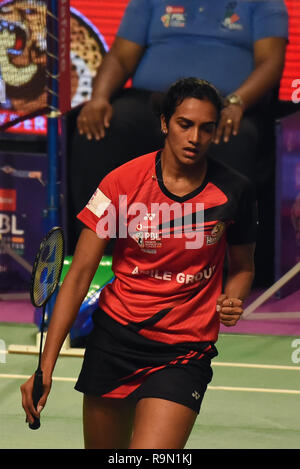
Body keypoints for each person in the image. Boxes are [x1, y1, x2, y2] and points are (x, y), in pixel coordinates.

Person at [21, 78, 257, 449]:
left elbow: (243, 266)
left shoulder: (234, 190)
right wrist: (45, 366)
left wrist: (233, 297)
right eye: (184, 124)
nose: (195, 137)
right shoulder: (122, 184)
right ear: (165, 123)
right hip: (115, 340)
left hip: (184, 347)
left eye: (206, 128)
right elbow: (80, 274)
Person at [67, 0, 288, 253]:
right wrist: (99, 99)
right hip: (152, 101)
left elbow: (270, 61)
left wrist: (237, 102)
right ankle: (99, 252)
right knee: (100, 128)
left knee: (235, 137)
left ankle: (223, 258)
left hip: (222, 104)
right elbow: (120, 56)